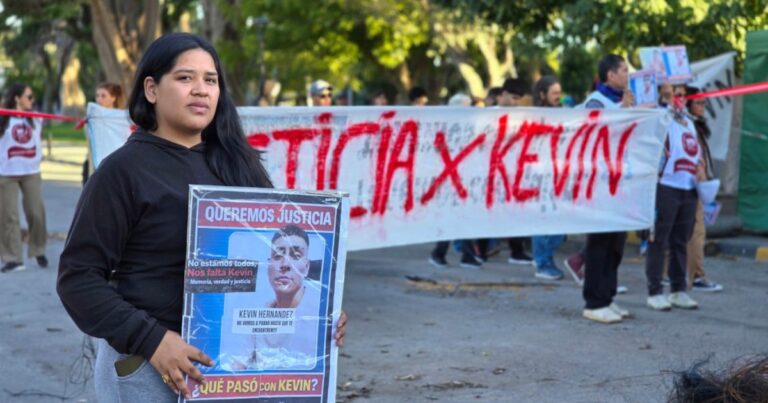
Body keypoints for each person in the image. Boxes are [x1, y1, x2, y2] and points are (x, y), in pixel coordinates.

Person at [57, 33, 346, 402]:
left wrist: (320, 313)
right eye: (185, 78)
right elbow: (78, 280)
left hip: (231, 370)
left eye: (210, 80)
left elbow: (267, 259)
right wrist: (154, 342)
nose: (201, 90)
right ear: (151, 89)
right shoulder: (121, 172)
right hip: (147, 368)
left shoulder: (241, 166)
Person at [568, 54, 634, 324]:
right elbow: (598, 129)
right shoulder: (597, 101)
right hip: (599, 185)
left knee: (615, 245)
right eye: (624, 70)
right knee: (599, 244)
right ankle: (593, 302)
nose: (627, 75)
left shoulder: (621, 101)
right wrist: (624, 110)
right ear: (610, 75)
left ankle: (607, 297)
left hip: (619, 184)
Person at [645, 90, 700, 312]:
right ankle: (655, 291)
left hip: (688, 186)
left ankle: (678, 289)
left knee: (681, 240)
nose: (680, 99)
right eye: (675, 94)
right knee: (658, 240)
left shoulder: (688, 121)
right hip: (665, 186)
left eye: (682, 95)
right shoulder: (660, 115)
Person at [247, 225, 322, 370]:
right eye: (278, 256)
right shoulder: (258, 316)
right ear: (268, 265)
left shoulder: (321, 311)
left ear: (306, 267)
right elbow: (241, 364)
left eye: (296, 256)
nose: (285, 264)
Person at [0, 83, 48, 273]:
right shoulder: (3, 118)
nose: (32, 100)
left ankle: (38, 249)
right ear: (16, 98)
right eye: (28, 97)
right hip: (6, 173)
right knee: (8, 216)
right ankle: (13, 258)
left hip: (31, 171)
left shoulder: (36, 118)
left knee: (36, 213)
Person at [685, 88, 722, 292]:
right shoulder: (688, 125)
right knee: (696, 232)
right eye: (698, 103)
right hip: (689, 184)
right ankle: (696, 275)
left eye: (704, 103)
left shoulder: (694, 125)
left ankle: (671, 275)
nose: (702, 107)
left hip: (692, 185)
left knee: (688, 232)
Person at [530, 76, 566, 281]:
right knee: (543, 222)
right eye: (554, 93)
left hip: (557, 176)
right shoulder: (533, 116)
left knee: (560, 224)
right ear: (542, 95)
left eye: (559, 93)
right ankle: (543, 262)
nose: (558, 97)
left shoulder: (561, 115)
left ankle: (542, 257)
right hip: (539, 177)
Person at [497, 78, 534, 266]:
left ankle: (516, 251)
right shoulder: (487, 117)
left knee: (514, 212)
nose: (516, 103)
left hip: (512, 174)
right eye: (513, 97)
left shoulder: (520, 117)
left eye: (519, 99)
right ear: (502, 94)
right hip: (492, 175)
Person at [83, 82, 125, 184]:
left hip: (115, 166)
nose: (99, 99)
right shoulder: (92, 118)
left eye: (103, 96)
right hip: (92, 164)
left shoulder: (123, 120)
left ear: (113, 98)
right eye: (97, 96)